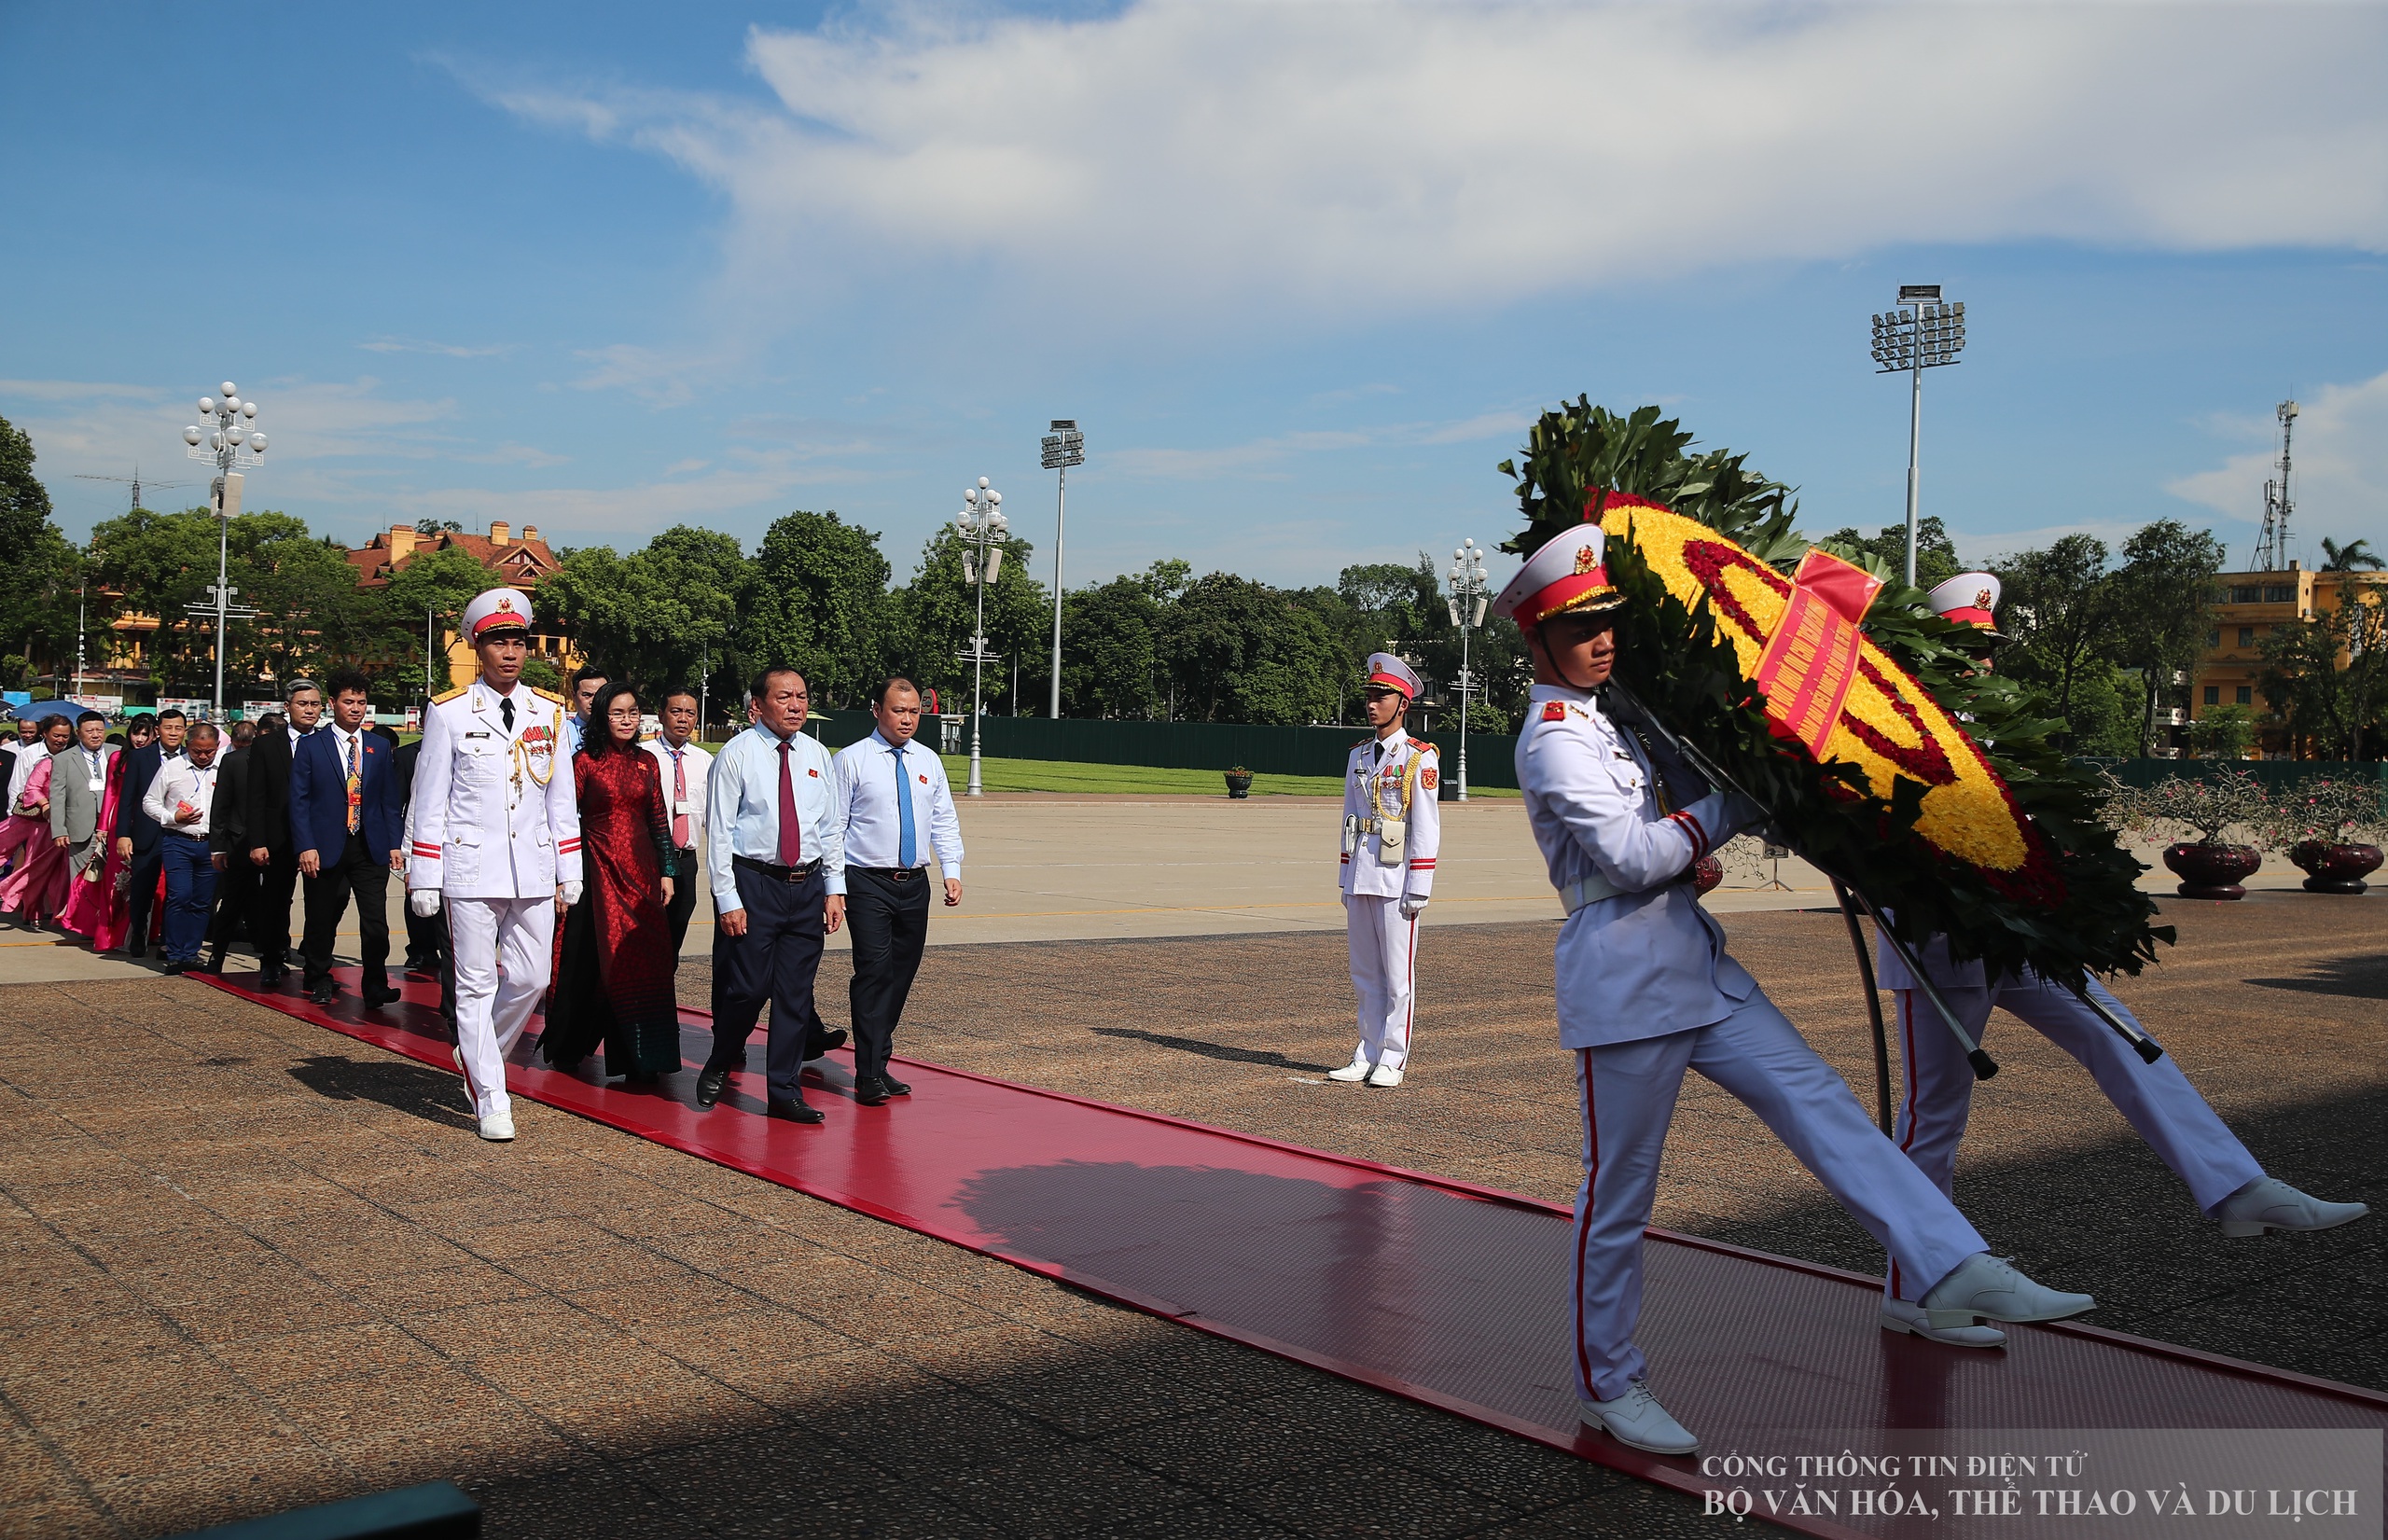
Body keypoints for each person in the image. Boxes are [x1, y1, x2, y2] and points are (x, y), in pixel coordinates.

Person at [1495, 523, 2094, 1456]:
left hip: (1693, 962)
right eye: (1578, 627)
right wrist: (1736, 799)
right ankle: (1607, 1381)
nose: (1600, 639)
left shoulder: (1614, 713)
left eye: (1605, 619)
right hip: (1624, 984)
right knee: (1620, 1194)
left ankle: (1953, 1261)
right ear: (1536, 641)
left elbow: (1668, 825)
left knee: (1824, 1105)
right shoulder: (1552, 737)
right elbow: (1631, 853)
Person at [1870, 573, 2368, 1347]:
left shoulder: (2001, 727)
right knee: (1935, 1118)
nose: (1983, 664)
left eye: (1990, 649)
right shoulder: (1893, 723)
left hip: (2026, 932)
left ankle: (2236, 1186)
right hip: (1944, 942)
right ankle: (1914, 1288)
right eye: (1967, 649)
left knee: (2120, 1033)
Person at [408, 589, 581, 1143]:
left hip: (531, 864)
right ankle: (491, 1094)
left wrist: (568, 867)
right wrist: (424, 872)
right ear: (478, 648)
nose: (510, 652)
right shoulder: (450, 712)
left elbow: (560, 798)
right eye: (497, 642)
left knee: (533, 976)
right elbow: (428, 799)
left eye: (517, 642)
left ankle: (477, 1051)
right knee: (475, 985)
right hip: (470, 866)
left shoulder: (549, 712)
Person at [695, 668, 844, 1124]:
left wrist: (834, 888)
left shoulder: (818, 755)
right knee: (747, 988)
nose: (796, 705)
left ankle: (784, 1089)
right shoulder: (737, 756)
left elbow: (830, 828)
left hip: (806, 885)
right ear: (757, 705)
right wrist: (727, 898)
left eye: (801, 695)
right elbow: (718, 833)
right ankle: (722, 1057)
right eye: (785, 697)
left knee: (795, 995)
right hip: (754, 885)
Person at [831, 677, 963, 1105]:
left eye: (914, 712)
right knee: (873, 973)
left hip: (914, 884)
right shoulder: (851, 760)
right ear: (876, 710)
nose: (907, 719)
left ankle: (879, 1060)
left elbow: (943, 818)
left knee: (901, 975)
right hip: (867, 881)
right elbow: (833, 827)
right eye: (898, 710)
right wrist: (833, 887)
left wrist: (952, 868)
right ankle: (867, 1072)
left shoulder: (928, 760)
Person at [544, 682, 682, 1083]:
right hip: (595, 872)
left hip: (641, 873)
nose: (627, 720)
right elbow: (564, 822)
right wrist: (561, 877)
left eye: (633, 712)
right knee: (588, 961)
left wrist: (667, 870)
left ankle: (643, 1061)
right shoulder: (583, 761)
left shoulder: (647, 762)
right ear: (603, 717)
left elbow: (659, 820)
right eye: (618, 713)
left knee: (645, 961)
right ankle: (569, 1046)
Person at [1331, 653, 1441, 1088]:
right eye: (1370, 695)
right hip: (1362, 872)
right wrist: (1344, 876)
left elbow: (1427, 827)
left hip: (1398, 879)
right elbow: (1348, 817)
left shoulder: (1419, 757)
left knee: (1398, 976)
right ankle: (1366, 1051)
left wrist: (1420, 884)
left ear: (1403, 704)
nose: (1372, 703)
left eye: (1383, 696)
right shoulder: (1358, 754)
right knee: (1364, 973)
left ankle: (1393, 1057)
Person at [291, 671, 404, 1008]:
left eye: (361, 702)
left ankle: (375, 984)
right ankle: (319, 977)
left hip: (369, 845)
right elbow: (299, 800)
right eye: (348, 702)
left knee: (375, 922)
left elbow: (388, 799)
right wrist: (305, 846)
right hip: (326, 845)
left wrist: (394, 843)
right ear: (333, 704)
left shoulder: (379, 746)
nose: (355, 709)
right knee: (322, 917)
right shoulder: (312, 746)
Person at [243, 682, 326, 986]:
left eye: (315, 704)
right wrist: (257, 841)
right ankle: (272, 958)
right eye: (302, 703)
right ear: (287, 707)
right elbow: (256, 797)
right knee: (276, 901)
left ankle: (316, 961)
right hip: (277, 838)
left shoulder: (329, 742)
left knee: (323, 902)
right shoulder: (267, 745)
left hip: (317, 839)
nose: (309, 709)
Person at [145, 722, 225, 975]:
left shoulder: (222, 769)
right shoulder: (172, 768)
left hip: (211, 845)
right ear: (188, 746)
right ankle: (176, 953)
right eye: (197, 751)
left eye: (209, 751)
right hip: (178, 841)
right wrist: (172, 817)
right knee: (180, 896)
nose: (203, 756)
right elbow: (149, 802)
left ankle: (191, 952)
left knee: (202, 902)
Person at [643, 688, 712, 958]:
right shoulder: (643, 756)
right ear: (661, 715)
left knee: (677, 927)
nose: (683, 718)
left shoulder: (704, 761)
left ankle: (664, 985)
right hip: (651, 857)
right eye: (676, 711)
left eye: (690, 713)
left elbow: (710, 815)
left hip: (686, 858)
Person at [61, 718, 141, 952]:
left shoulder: (115, 751)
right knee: (109, 883)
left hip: (148, 824)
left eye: (99, 730)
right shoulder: (120, 756)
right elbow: (111, 793)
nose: (141, 739)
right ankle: (101, 930)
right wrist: (103, 826)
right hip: (111, 825)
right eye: (136, 733)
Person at [0, 717, 74, 926]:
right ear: (45, 734)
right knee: (34, 866)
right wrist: (18, 818)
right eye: (56, 735)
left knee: (56, 869)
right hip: (30, 820)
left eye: (65, 736)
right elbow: (19, 787)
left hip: (62, 821)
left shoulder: (72, 755)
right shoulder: (29, 755)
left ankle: (52, 911)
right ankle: (31, 911)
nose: (60, 740)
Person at [203, 720, 260, 973]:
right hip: (239, 843)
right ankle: (217, 955)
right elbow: (221, 805)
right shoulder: (234, 761)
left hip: (277, 843)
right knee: (231, 903)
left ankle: (272, 955)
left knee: (275, 904)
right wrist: (218, 846)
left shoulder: (291, 760)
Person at [109, 715, 166, 956]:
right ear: (159, 730)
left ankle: (168, 940)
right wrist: (123, 833)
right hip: (145, 832)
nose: (173, 733)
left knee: (176, 891)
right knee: (142, 888)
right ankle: (139, 931)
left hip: (179, 834)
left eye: (178, 728)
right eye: (168, 728)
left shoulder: (189, 755)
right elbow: (126, 799)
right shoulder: (140, 757)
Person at [50, 712, 118, 895]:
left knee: (114, 879)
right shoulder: (63, 758)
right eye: (89, 731)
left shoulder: (117, 752)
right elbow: (57, 796)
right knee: (81, 879)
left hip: (113, 825)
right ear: (78, 733)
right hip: (80, 827)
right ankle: (78, 921)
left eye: (99, 730)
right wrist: (59, 830)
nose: (95, 735)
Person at [563, 666, 608, 754]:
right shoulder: (562, 731)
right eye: (587, 695)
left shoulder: (619, 731)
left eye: (599, 695)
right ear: (574, 696)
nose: (593, 701)